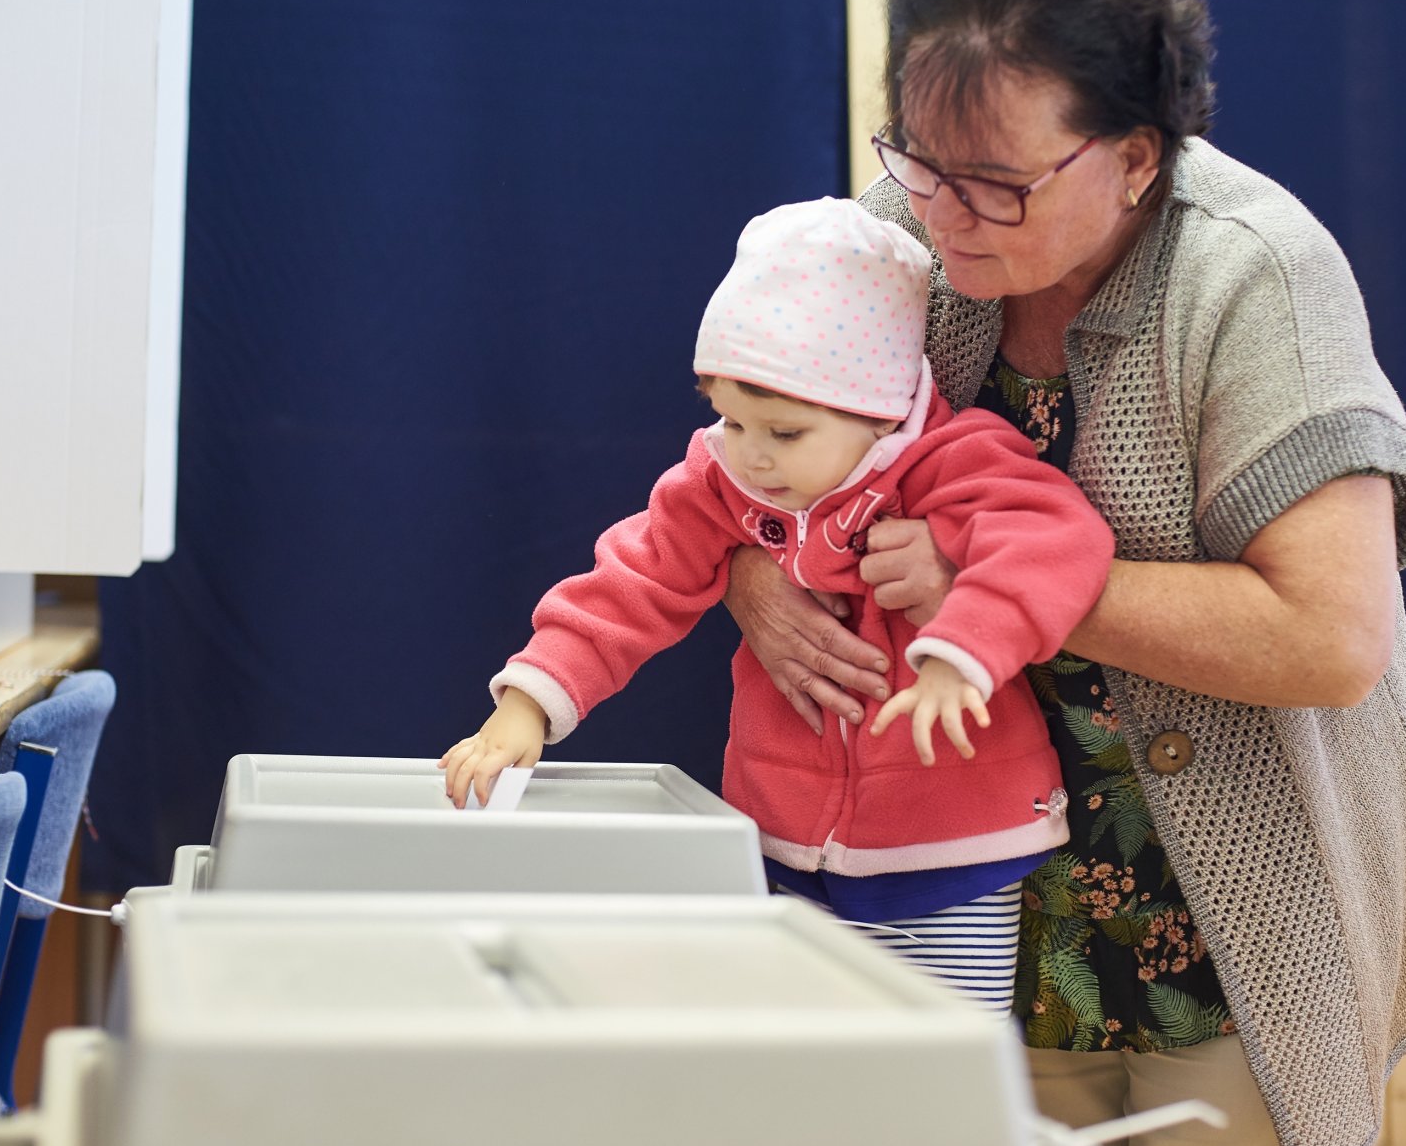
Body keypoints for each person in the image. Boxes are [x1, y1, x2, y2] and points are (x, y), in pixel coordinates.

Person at [720, 0, 1406, 1146]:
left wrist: (1003, 581)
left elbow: (1329, 636)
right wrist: (756, 564)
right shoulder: (897, 228)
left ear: (1137, 156)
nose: (943, 212)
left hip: (1235, 887)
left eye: (997, 184)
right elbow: (754, 440)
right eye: (917, 157)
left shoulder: (1252, 274)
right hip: (973, 881)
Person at [440, 196, 1113, 1013]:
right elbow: (633, 578)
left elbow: (1054, 539)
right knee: (803, 1066)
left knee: (938, 1071)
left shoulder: (955, 458)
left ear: (880, 409)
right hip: (781, 841)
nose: (751, 455)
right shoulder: (724, 475)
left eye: (785, 433)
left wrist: (959, 651)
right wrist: (527, 704)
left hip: (949, 848)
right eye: (730, 418)